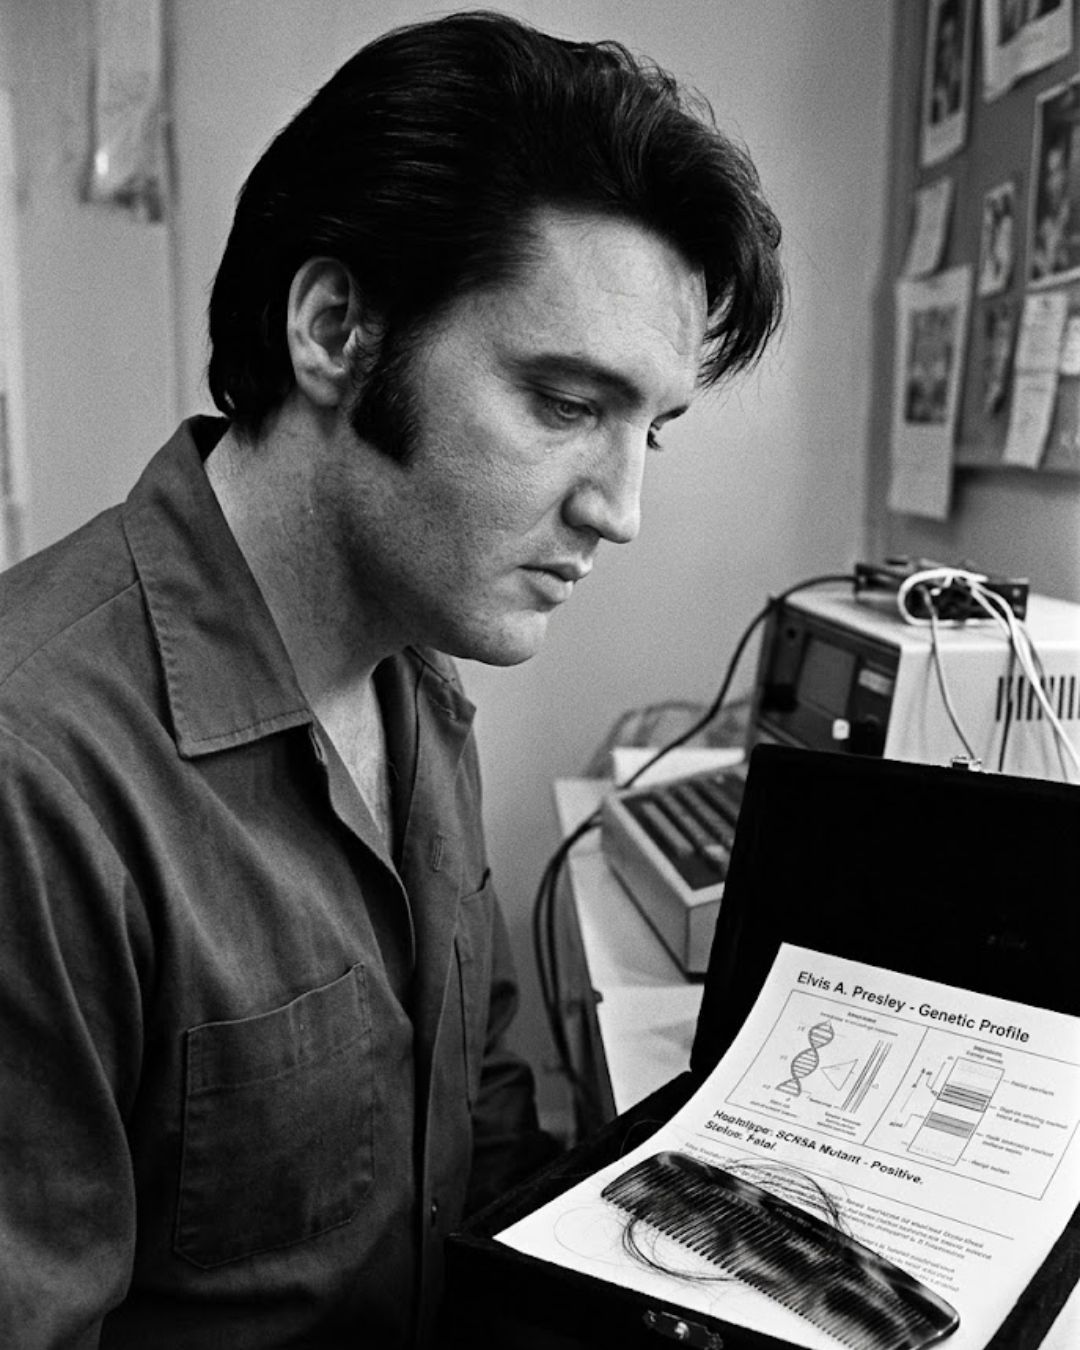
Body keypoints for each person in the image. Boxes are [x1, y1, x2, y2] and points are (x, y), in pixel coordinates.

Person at [0, 11, 783, 1349]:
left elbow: (478, 1125)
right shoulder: (37, 775)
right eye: (566, 403)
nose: (620, 510)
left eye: (650, 431)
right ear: (334, 329)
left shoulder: (416, 677)